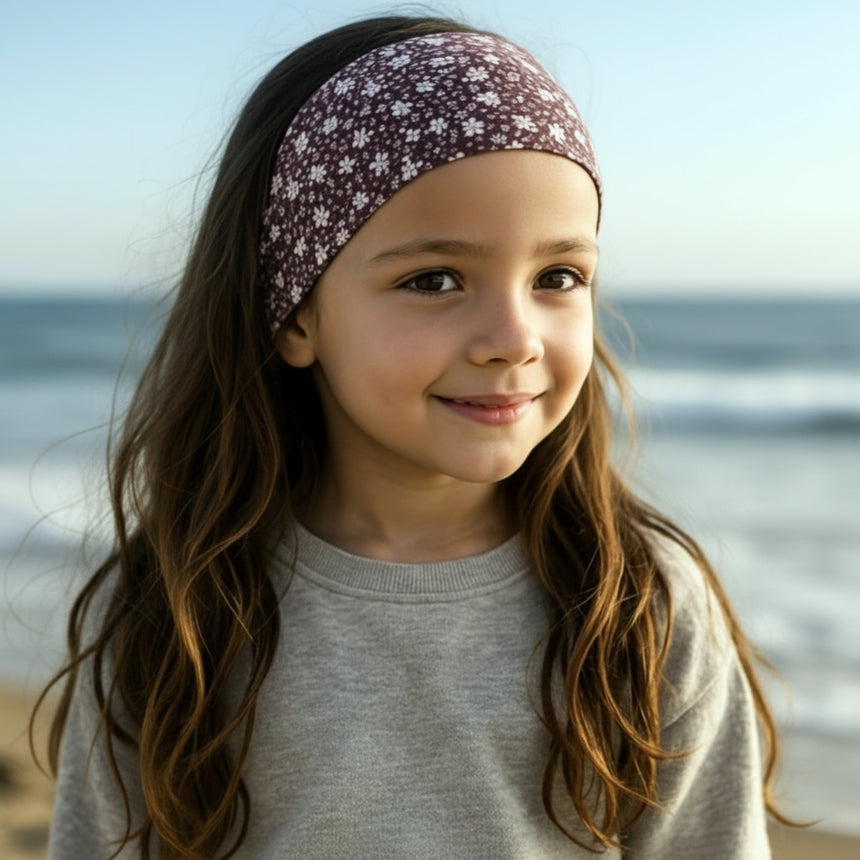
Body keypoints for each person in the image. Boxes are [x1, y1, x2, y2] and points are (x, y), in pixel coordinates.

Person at [36, 14, 789, 859]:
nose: (515, 336)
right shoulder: (174, 610)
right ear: (294, 316)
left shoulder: (637, 604)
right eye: (434, 280)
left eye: (558, 277)